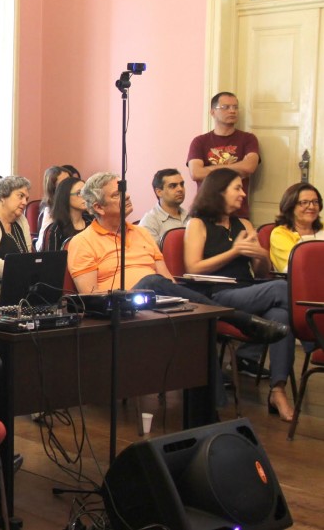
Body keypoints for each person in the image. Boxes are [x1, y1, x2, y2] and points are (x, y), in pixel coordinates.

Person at [65, 171, 285, 340]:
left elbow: (167, 280)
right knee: (151, 282)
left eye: (125, 190)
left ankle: (213, 387)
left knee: (190, 321)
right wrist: (133, 295)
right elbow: (91, 298)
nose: (128, 195)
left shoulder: (141, 232)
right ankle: (237, 318)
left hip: (155, 303)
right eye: (117, 194)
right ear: (98, 207)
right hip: (123, 308)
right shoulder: (82, 242)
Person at [183, 168, 296, 421]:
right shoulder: (197, 224)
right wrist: (234, 252)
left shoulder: (244, 224)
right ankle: (313, 337)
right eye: (237, 188)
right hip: (217, 296)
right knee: (281, 288)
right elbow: (193, 268)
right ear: (219, 191)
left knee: (281, 318)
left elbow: (261, 272)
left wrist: (260, 255)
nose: (243, 193)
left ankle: (278, 390)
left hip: (249, 290)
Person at [187, 92, 259, 218]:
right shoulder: (200, 141)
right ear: (213, 112)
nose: (232, 111)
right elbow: (196, 173)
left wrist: (209, 169)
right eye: (225, 107)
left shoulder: (248, 139)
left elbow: (249, 167)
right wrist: (238, 167)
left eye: (235, 107)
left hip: (238, 213)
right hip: (207, 212)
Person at [270, 182, 324, 273]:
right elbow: (295, 267)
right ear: (291, 206)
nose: (311, 207)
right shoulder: (280, 234)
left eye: (315, 202)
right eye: (304, 202)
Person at [138, 168, 190, 245]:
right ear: (159, 192)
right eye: (173, 186)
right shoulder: (149, 222)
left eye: (182, 184)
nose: (180, 189)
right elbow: (151, 252)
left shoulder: (191, 216)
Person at [39, 176, 90, 252]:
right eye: (79, 193)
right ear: (65, 196)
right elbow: (52, 258)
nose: (85, 197)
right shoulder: (56, 230)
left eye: (86, 192)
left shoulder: (91, 222)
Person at [36, 165, 70, 238]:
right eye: (63, 183)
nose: (69, 186)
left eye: (69, 181)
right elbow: (43, 242)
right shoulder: (49, 210)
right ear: (53, 188)